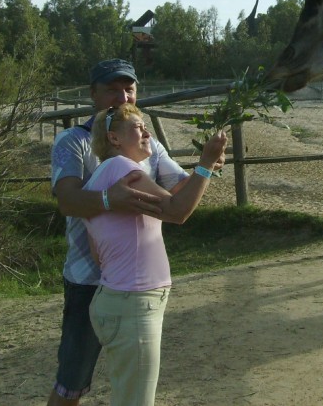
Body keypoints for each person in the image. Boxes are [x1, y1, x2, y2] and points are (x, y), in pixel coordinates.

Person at [47, 59, 222, 406]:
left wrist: (208, 169)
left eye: (129, 89)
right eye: (112, 89)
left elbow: (180, 189)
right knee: (73, 380)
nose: (122, 96)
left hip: (128, 281)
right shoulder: (74, 141)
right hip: (88, 279)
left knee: (126, 379)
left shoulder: (148, 145)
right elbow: (67, 201)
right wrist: (112, 200)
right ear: (93, 94)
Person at [83, 103, 227, 405]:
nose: (147, 133)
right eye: (138, 127)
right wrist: (205, 163)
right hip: (133, 304)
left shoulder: (102, 177)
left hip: (118, 300)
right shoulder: (122, 168)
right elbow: (177, 212)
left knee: (128, 395)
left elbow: (98, 255)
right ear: (114, 139)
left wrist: (206, 169)